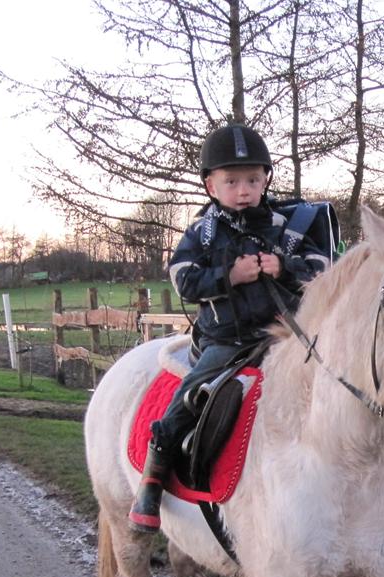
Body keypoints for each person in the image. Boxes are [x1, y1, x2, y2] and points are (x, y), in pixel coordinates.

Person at [129, 123, 331, 533]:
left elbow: (323, 271)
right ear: (210, 186)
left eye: (253, 180)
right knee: (191, 394)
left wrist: (285, 268)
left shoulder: (288, 226)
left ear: (265, 180)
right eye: (232, 181)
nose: (244, 190)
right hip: (227, 341)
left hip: (284, 336)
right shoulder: (202, 233)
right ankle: (154, 473)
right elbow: (183, 278)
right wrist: (229, 275)